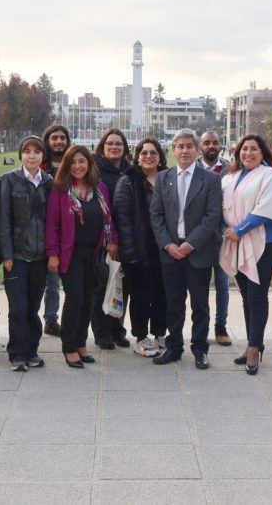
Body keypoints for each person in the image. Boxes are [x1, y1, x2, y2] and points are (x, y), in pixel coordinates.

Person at [149, 128, 223, 369]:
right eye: (179, 146)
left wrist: (190, 245)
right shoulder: (163, 177)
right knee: (174, 303)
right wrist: (169, 245)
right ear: (173, 150)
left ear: (197, 149)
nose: (184, 151)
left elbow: (212, 216)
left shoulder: (210, 179)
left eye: (189, 146)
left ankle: (200, 349)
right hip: (170, 254)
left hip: (198, 252)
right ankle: (174, 347)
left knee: (200, 305)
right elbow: (156, 215)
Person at [46, 145, 118, 368]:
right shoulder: (60, 190)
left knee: (89, 300)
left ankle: (80, 343)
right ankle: (69, 347)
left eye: (82, 161)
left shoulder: (100, 189)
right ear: (68, 165)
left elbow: (109, 218)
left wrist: (113, 240)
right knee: (75, 298)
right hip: (71, 254)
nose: (78, 166)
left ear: (89, 163)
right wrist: (53, 254)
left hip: (95, 253)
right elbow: (52, 224)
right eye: (73, 162)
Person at [220, 135, 272, 375]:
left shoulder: (269, 175)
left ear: (263, 152)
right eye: (244, 149)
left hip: (264, 243)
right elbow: (220, 209)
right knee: (246, 296)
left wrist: (239, 230)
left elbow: (265, 210)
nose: (248, 153)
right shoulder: (230, 177)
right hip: (237, 243)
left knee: (257, 296)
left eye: (254, 149)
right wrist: (225, 230)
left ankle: (254, 348)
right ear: (237, 152)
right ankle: (252, 343)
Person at [0, 136, 53, 372]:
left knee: (32, 308)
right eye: (27, 151)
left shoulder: (50, 182)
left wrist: (52, 253)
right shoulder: (10, 180)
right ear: (21, 155)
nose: (31, 155)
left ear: (42, 156)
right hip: (17, 256)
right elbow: (3, 220)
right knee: (18, 308)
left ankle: (32, 350)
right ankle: (17, 353)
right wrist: (7, 254)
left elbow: (53, 222)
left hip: (40, 258)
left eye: (36, 151)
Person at [114, 138, 169, 357]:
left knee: (162, 294)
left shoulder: (168, 178)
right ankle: (141, 336)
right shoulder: (128, 180)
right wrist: (129, 251)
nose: (148, 156)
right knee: (140, 296)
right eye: (144, 153)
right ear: (137, 157)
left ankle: (160, 334)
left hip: (164, 247)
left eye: (153, 153)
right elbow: (122, 216)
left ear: (160, 156)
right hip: (138, 249)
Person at [91, 128, 131, 350]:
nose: (114, 147)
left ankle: (118, 329)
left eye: (118, 144)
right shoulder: (95, 171)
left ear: (124, 147)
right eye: (110, 144)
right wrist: (110, 239)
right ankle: (102, 332)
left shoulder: (130, 171)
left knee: (121, 287)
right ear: (102, 147)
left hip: (126, 238)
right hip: (103, 239)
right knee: (102, 287)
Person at [199, 130, 233, 347]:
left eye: (215, 142)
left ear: (221, 145)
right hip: (199, 239)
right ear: (200, 146)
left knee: (222, 284)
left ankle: (221, 326)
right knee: (199, 287)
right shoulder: (192, 170)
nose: (211, 146)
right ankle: (200, 328)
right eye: (206, 143)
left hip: (223, 238)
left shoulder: (231, 170)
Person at [40, 124, 71, 337]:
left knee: (66, 281)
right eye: (54, 138)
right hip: (43, 229)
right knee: (50, 281)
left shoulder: (73, 165)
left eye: (62, 138)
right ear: (48, 141)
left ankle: (63, 319)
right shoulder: (40, 165)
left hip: (69, 231)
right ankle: (50, 319)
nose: (59, 141)